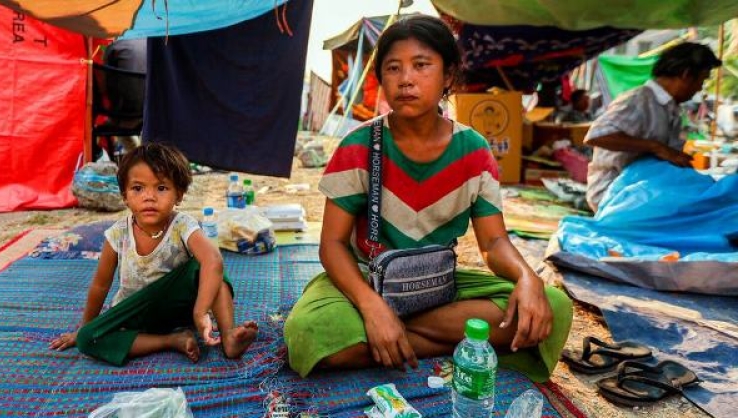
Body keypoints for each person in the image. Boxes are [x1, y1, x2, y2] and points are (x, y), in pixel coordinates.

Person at [283, 15, 572, 382]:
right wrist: (373, 307)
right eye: (393, 68)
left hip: (438, 285)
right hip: (367, 279)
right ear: (382, 79)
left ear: (448, 76)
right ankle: (445, 338)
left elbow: (494, 242)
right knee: (309, 332)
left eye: (421, 65)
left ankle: (398, 338)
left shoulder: (474, 151)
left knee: (553, 305)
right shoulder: (358, 146)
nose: (406, 79)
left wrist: (527, 277)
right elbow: (333, 244)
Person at [50, 143, 258, 365]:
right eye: (138, 188)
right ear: (125, 197)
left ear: (179, 195)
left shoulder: (182, 225)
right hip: (135, 314)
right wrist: (85, 326)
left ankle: (229, 336)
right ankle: (171, 341)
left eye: (161, 188)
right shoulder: (118, 234)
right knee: (87, 339)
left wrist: (200, 311)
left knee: (208, 265)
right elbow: (100, 286)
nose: (149, 197)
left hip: (181, 309)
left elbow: (213, 260)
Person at [584, 42, 721, 212]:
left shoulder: (672, 109)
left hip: (642, 192)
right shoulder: (639, 100)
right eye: (702, 80)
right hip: (614, 196)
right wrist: (656, 147)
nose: (700, 88)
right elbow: (597, 135)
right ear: (686, 75)